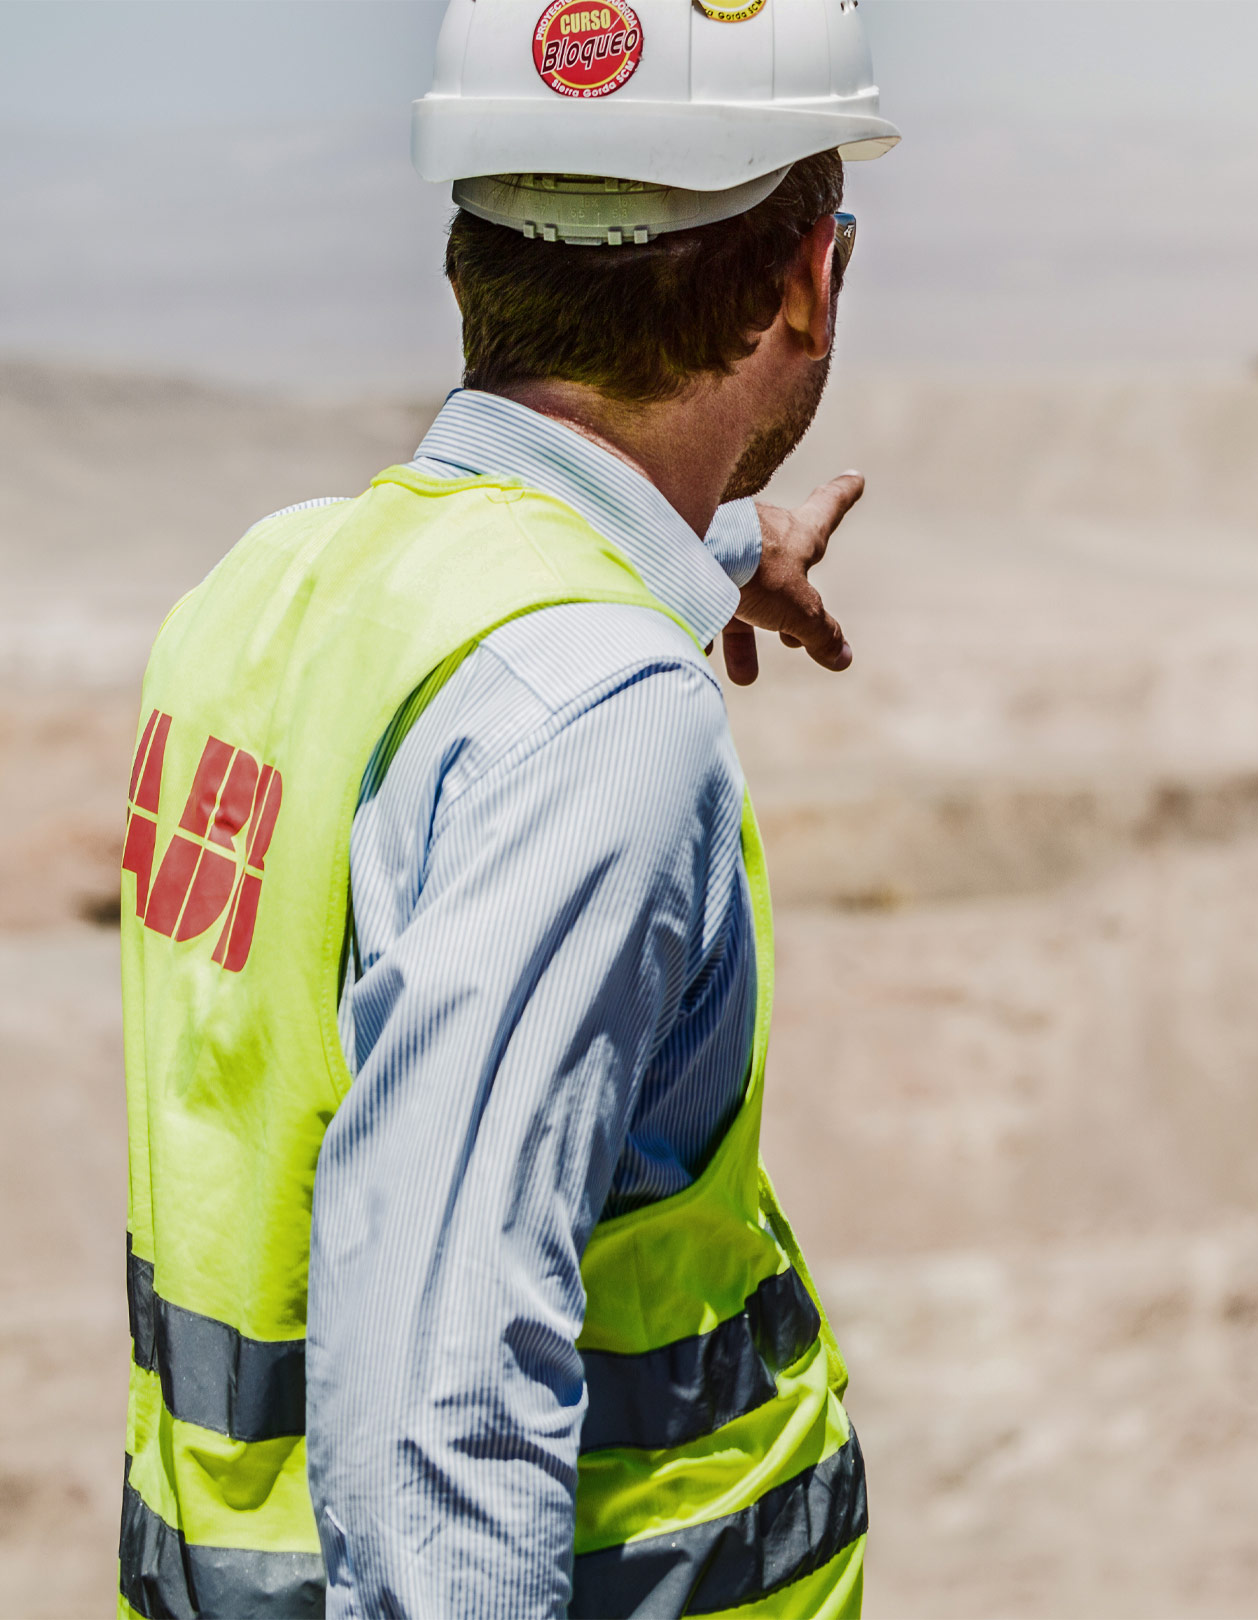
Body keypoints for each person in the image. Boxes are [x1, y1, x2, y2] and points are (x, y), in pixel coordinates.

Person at [117, 2, 899, 1616]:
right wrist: (648, 614)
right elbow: (439, 1398)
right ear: (808, 282)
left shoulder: (267, 586)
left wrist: (714, 551)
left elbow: (483, 630)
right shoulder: (598, 716)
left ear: (467, 256)